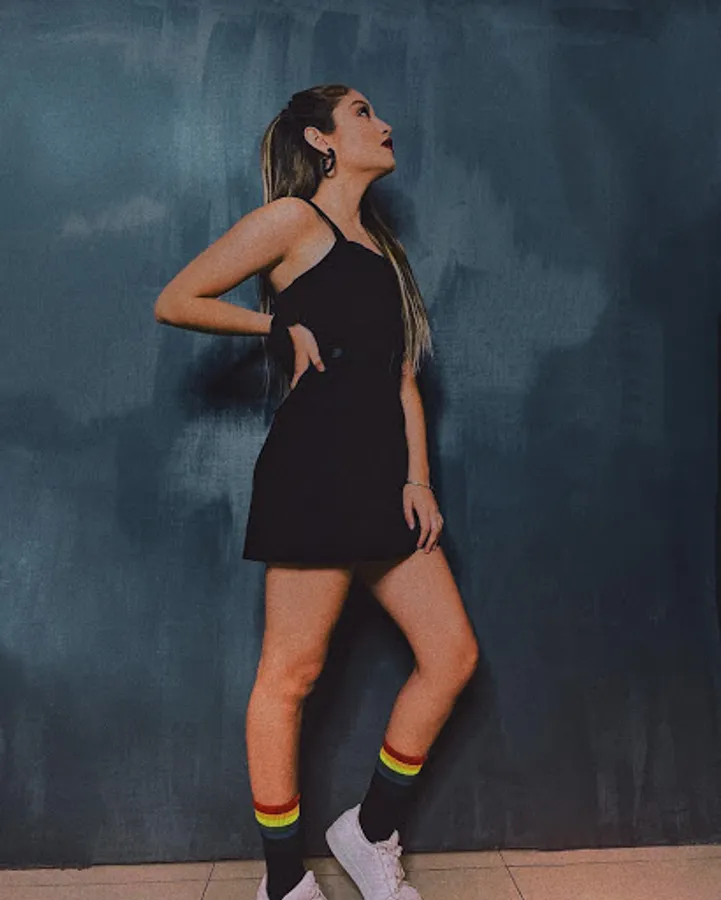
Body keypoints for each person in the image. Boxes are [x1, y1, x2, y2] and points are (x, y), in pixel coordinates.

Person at [155, 84, 479, 900]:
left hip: (382, 480)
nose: (385, 123)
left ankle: (366, 833)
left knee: (450, 657)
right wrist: (275, 326)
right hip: (313, 472)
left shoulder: (379, 248)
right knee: (290, 675)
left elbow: (402, 378)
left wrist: (418, 478)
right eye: (364, 112)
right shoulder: (294, 222)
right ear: (321, 139)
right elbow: (176, 300)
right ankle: (281, 882)